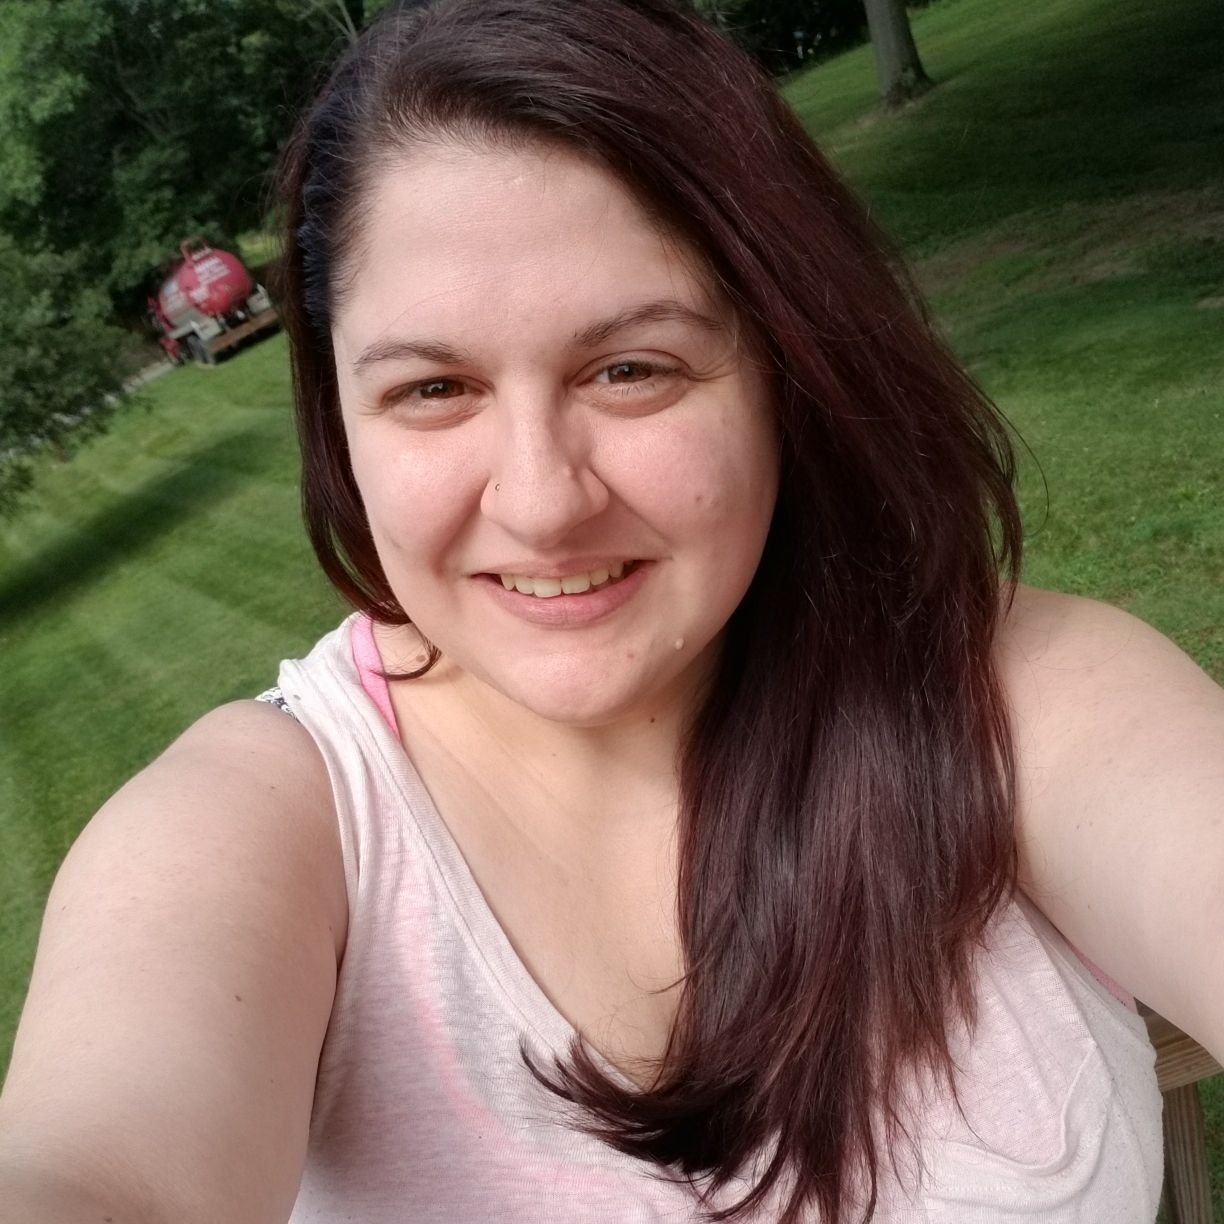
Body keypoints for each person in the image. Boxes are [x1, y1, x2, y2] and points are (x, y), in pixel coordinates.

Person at [1, 1, 1221, 1220]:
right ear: (342, 429)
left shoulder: (1019, 699)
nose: (541, 502)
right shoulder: (258, 832)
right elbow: (101, 1165)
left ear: (789, 373)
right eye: (434, 387)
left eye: (630, 367)